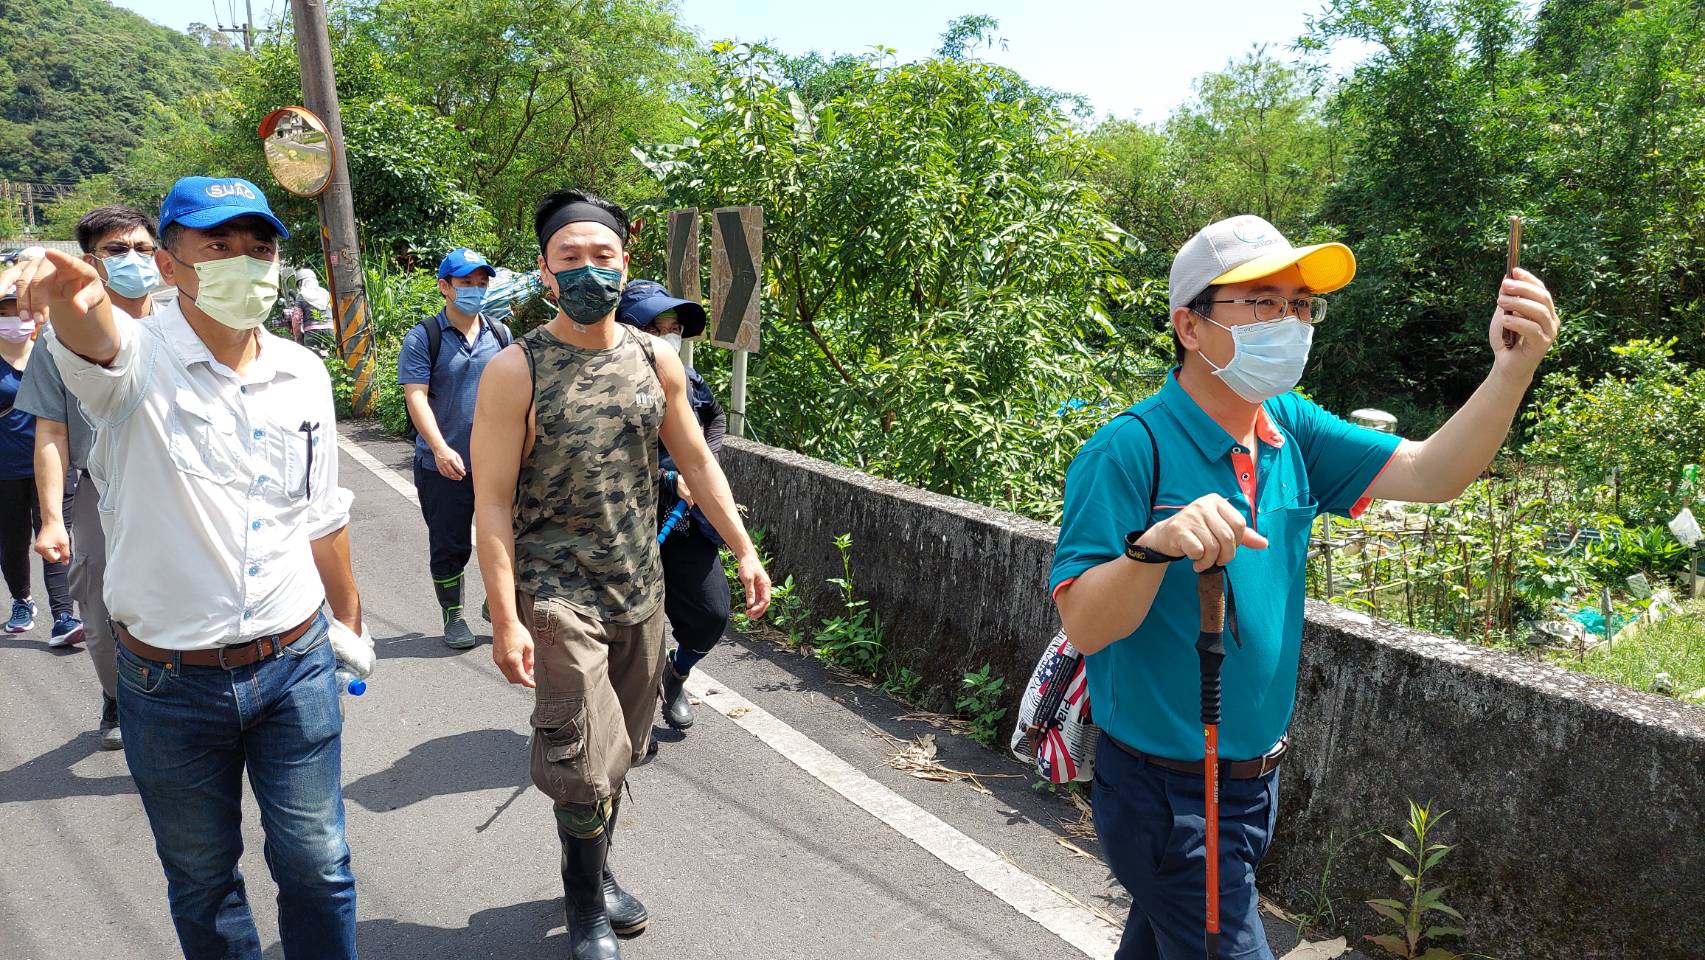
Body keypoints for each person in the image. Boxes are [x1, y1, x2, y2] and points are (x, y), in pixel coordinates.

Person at [1050, 214, 1560, 960]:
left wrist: (1510, 370)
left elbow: (1430, 473)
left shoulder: (1286, 424)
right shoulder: (1132, 448)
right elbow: (1086, 626)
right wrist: (1151, 550)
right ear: (1189, 327)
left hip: (1254, 781)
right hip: (1167, 796)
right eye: (1261, 302)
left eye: (1298, 305)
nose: (1287, 322)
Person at [1, 175, 370, 960]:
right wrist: (72, 289)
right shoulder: (134, 363)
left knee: (319, 862)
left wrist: (350, 619)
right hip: (169, 682)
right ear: (169, 265)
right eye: (218, 245)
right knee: (202, 877)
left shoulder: (304, 371)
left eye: (260, 246)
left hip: (294, 661)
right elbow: (90, 335)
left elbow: (319, 510)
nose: (247, 262)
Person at [470, 188, 772, 959]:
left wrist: (742, 548)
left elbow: (697, 462)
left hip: (639, 590)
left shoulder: (653, 358)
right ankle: (584, 909)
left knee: (621, 751)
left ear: (624, 264)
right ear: (544, 273)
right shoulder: (516, 370)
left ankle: (598, 873)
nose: (588, 270)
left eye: (601, 257)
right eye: (569, 257)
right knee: (577, 760)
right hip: (556, 594)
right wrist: (504, 616)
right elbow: (492, 505)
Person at [22, 204, 161, 749]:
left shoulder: (184, 324)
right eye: (117, 251)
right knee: (101, 614)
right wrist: (53, 518)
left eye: (143, 249)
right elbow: (52, 434)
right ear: (91, 262)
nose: (134, 260)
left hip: (179, 481)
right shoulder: (59, 341)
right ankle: (116, 694)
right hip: (101, 489)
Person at [613, 279, 729, 731]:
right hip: (618, 524)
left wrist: (702, 466)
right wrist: (667, 477)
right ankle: (630, 726)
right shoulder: (600, 381)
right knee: (628, 630)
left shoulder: (683, 375)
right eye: (656, 326)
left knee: (710, 614)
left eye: (673, 325)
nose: (668, 334)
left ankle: (675, 674)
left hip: (681, 521)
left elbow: (714, 416)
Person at [398, 247, 511, 650]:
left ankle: (494, 602)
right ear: (445, 287)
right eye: (466, 283)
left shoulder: (500, 334)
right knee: (451, 544)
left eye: (481, 283)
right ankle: (453, 615)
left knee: (510, 535)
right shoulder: (424, 337)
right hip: (442, 464)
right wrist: (440, 448)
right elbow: (416, 397)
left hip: (495, 461)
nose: (475, 290)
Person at [0, 286, 77, 643]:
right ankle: (21, 600)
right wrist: (17, 268)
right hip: (5, 470)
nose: (13, 320)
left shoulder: (49, 352)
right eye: (4, 314)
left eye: (20, 311)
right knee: (13, 543)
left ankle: (63, 615)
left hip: (52, 466)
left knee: (55, 535)